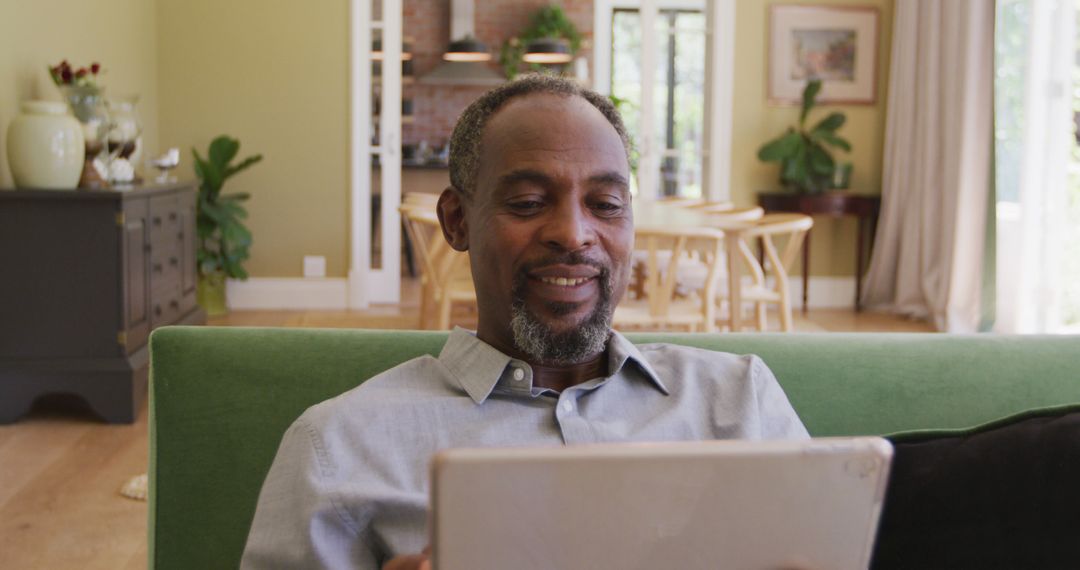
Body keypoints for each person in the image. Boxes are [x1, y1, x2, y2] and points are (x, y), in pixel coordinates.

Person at [240, 75, 808, 570]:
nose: (574, 233)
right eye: (531, 202)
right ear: (457, 221)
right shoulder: (338, 446)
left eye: (606, 205)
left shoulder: (740, 401)